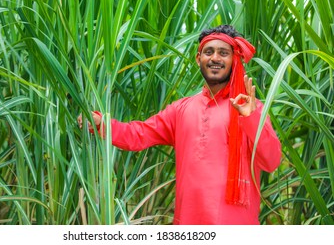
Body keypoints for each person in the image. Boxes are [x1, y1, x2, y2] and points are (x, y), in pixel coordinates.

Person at [78, 25, 282, 225]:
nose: (215, 58)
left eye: (223, 53)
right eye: (208, 52)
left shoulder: (249, 108)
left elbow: (271, 161)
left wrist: (251, 117)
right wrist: (101, 124)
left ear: (234, 59)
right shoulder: (181, 109)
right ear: (198, 58)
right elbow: (138, 134)